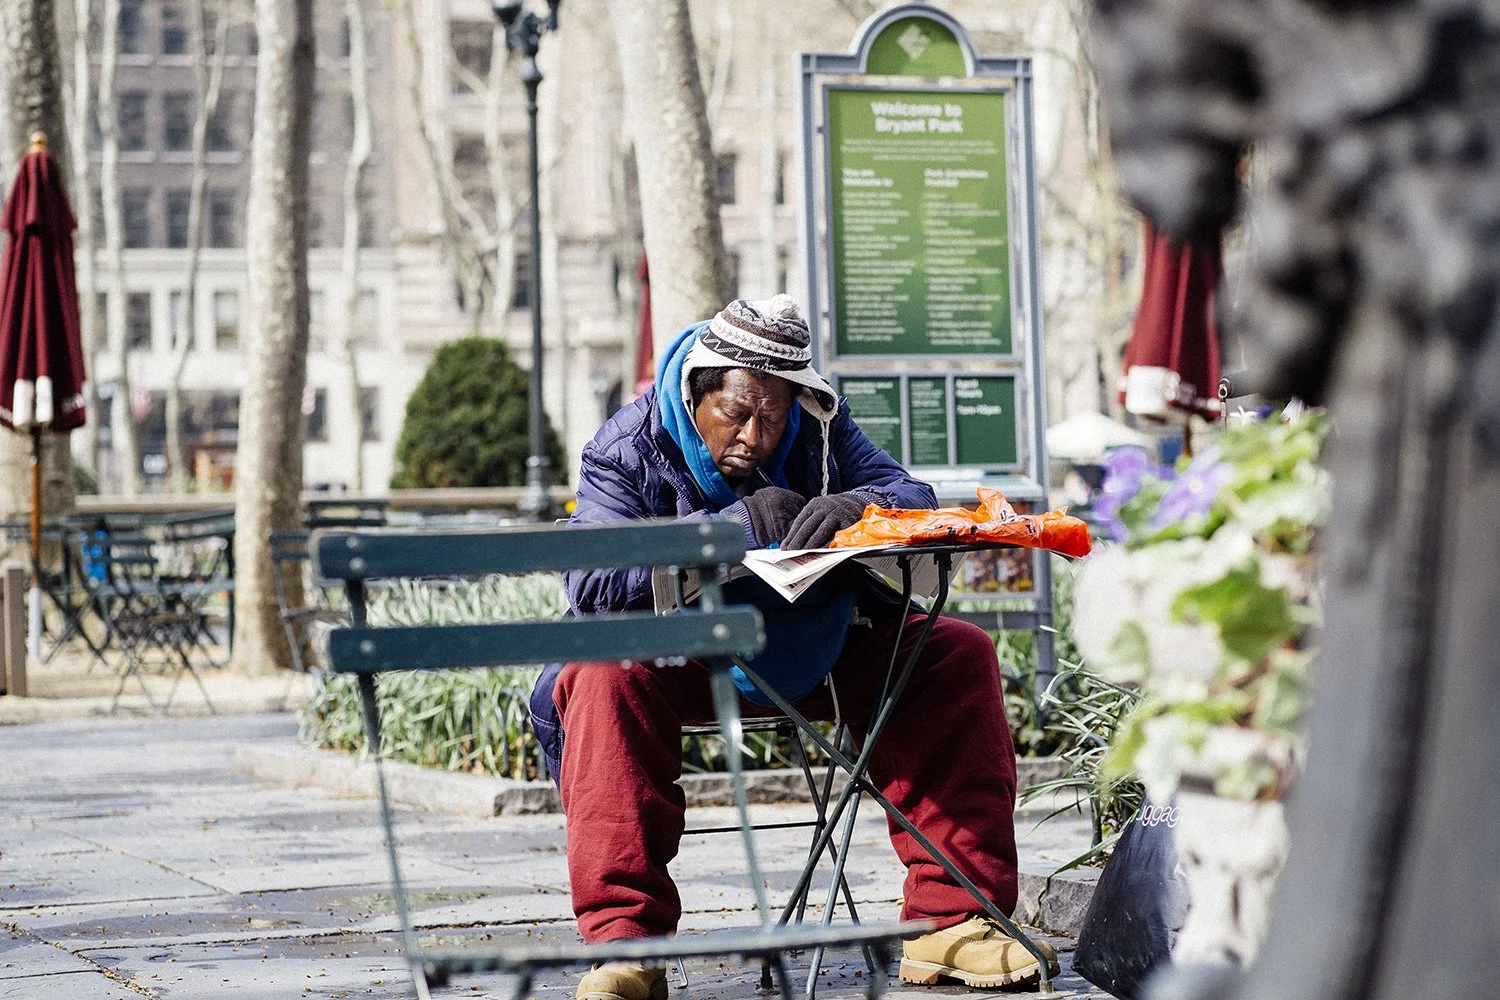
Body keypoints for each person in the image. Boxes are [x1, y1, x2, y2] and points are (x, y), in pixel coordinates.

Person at [529, 294, 1057, 1000]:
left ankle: (954, 920)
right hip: (684, 660)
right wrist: (732, 529)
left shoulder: (821, 428)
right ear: (695, 394)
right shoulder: (627, 444)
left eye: (772, 418)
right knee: (601, 674)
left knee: (953, 655)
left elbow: (912, 493)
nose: (754, 435)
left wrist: (857, 507)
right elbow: (591, 580)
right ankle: (626, 947)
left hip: (819, 645)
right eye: (735, 413)